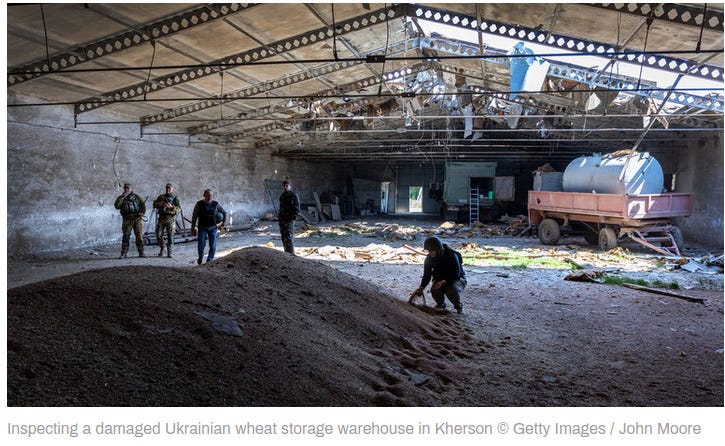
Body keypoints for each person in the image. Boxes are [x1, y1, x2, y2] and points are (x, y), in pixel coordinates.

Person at [411, 236, 467, 313]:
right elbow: (427, 275)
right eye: (429, 251)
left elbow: (456, 273)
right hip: (440, 279)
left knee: (451, 290)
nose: (429, 253)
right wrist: (421, 287)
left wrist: (443, 281)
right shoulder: (429, 258)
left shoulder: (452, 255)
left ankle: (458, 306)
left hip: (457, 279)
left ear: (438, 249)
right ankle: (440, 305)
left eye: (431, 250)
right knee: (435, 290)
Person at [191, 189, 226, 264]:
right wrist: (193, 228)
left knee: (213, 245)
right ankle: (200, 257)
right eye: (208, 195)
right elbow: (194, 216)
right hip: (202, 227)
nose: (209, 197)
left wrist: (223, 224)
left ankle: (209, 260)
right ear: (204, 195)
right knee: (201, 244)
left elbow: (224, 212)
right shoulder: (199, 204)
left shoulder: (215, 204)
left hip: (212, 227)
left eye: (211, 195)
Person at [113, 182, 146, 258]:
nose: (126, 189)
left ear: (131, 189)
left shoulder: (137, 197)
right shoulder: (121, 197)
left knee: (139, 236)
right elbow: (117, 206)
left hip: (137, 218)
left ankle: (141, 252)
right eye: (125, 188)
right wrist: (122, 197)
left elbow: (143, 206)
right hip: (127, 219)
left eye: (128, 188)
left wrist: (142, 213)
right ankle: (124, 253)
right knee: (126, 235)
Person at [152, 183, 181, 258]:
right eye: (167, 188)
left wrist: (172, 207)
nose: (168, 189)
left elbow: (179, 209)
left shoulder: (175, 198)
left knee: (170, 236)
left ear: (172, 189)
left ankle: (169, 251)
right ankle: (163, 247)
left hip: (171, 219)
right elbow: (154, 205)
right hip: (161, 218)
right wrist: (160, 204)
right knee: (158, 235)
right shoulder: (161, 197)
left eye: (169, 188)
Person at [278, 178, 301, 254]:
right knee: (283, 237)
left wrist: (291, 220)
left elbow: (297, 210)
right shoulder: (282, 196)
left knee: (288, 237)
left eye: (287, 185)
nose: (285, 187)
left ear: (290, 186)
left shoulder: (294, 195)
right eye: (284, 185)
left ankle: (291, 254)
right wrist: (280, 219)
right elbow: (281, 208)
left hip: (289, 219)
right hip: (282, 219)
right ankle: (286, 253)